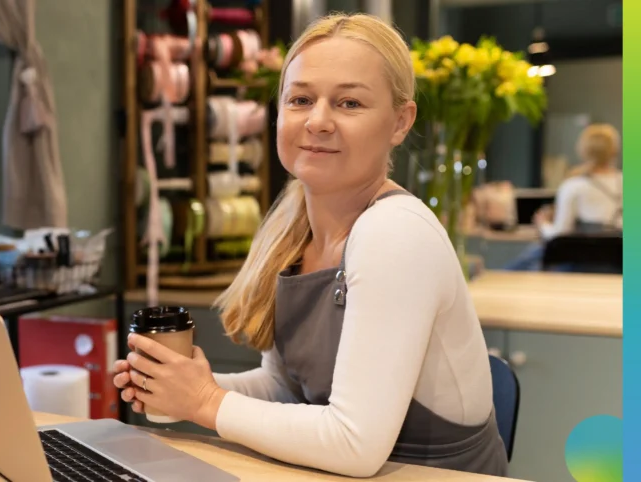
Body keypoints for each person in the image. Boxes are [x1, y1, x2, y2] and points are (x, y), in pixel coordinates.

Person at [113, 13, 508, 478]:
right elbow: (285, 388)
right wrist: (183, 387)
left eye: (349, 103)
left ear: (400, 122)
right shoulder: (292, 228)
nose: (318, 121)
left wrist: (204, 401)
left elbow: (354, 444)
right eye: (301, 99)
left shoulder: (396, 234)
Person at [505, 123, 622, 270]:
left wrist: (543, 224)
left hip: (578, 264)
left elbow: (559, 235)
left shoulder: (573, 185)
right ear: (614, 151)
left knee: (523, 261)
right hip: (618, 264)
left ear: (583, 150)